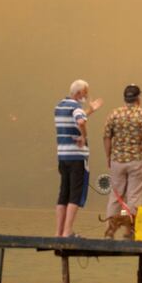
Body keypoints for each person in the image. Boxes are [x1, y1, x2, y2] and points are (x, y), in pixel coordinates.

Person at [102, 84, 142, 239]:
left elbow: (107, 136)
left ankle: (110, 231)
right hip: (138, 160)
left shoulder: (114, 115)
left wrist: (108, 156)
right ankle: (131, 232)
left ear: (125, 98)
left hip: (117, 161)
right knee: (134, 196)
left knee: (115, 196)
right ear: (138, 99)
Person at [54, 79, 103, 237]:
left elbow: (77, 118)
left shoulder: (60, 106)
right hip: (77, 157)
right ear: (79, 93)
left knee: (63, 194)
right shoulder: (76, 107)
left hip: (63, 156)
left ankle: (58, 232)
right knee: (75, 194)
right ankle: (67, 232)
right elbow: (80, 121)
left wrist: (90, 110)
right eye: (85, 93)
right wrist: (84, 136)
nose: (87, 96)